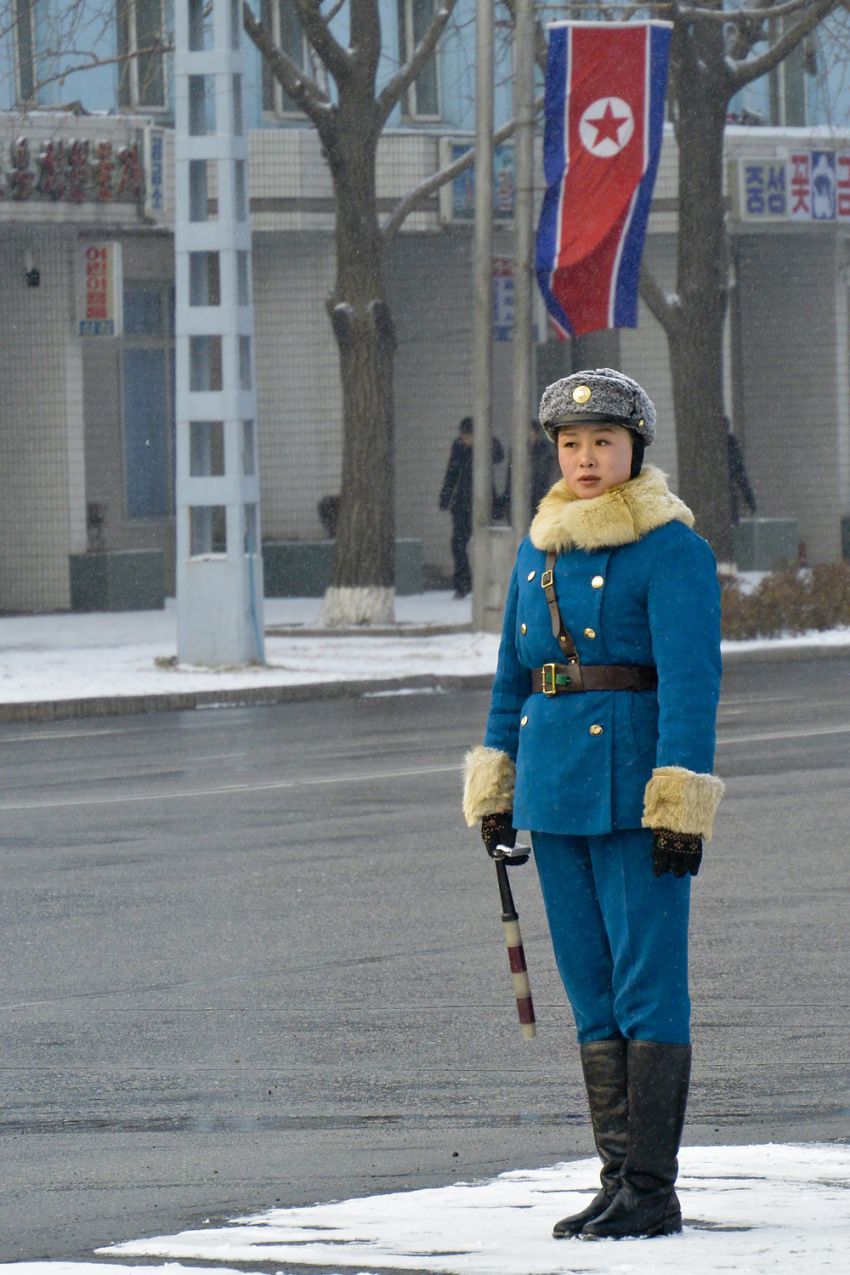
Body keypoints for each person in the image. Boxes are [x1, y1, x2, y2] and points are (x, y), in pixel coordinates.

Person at [461, 369, 724, 1241]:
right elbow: (513, 678)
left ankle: (651, 1187)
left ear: (634, 449)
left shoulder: (670, 549)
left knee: (649, 985)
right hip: (555, 789)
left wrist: (681, 800)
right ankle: (616, 1178)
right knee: (591, 989)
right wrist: (497, 783)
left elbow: (691, 684)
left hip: (635, 791)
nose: (584, 458)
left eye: (602, 442)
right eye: (570, 444)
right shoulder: (539, 550)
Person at [439, 417, 504, 598]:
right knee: (458, 544)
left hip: (483, 502)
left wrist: (481, 444)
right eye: (463, 436)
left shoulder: (487, 446)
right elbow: (452, 472)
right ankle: (463, 583)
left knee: (485, 544)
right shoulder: (459, 447)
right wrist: (445, 496)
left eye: (468, 436)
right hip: (462, 503)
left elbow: (499, 455)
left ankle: (487, 583)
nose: (465, 440)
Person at [725, 417, 757, 526]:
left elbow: (740, 474)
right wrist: (749, 499)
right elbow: (740, 475)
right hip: (728, 501)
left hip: (726, 500)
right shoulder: (730, 444)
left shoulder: (729, 444)